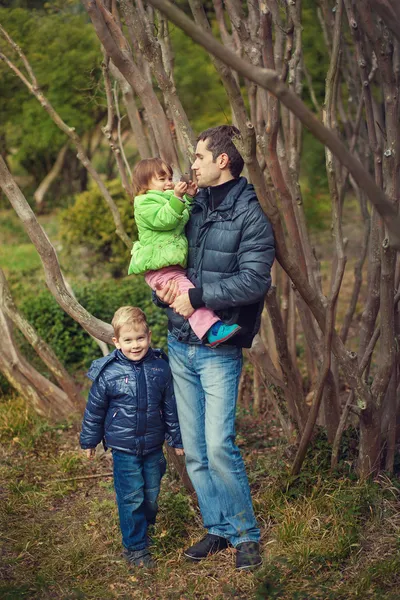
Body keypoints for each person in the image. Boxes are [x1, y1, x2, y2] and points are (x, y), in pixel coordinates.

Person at [154, 125, 275, 571]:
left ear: (222, 161)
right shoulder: (193, 207)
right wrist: (163, 292)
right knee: (195, 449)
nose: (193, 164)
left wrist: (198, 297)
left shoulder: (250, 217)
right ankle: (219, 529)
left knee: (219, 446)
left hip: (218, 347)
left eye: (199, 156)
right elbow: (167, 257)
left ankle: (246, 535)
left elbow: (255, 281)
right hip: (179, 341)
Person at [80, 306, 183, 568]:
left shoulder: (160, 367)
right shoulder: (109, 372)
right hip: (123, 448)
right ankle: (135, 548)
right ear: (116, 342)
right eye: (128, 340)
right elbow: (95, 410)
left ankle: (143, 526)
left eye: (140, 338)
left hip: (152, 445)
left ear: (149, 336)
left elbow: (171, 407)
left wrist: (177, 439)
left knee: (150, 494)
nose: (135, 345)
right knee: (131, 497)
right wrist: (89, 441)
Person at [128, 157, 241, 347]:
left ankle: (209, 329)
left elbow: (182, 218)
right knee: (189, 297)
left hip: (170, 265)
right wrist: (178, 198)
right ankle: (212, 330)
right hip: (160, 267)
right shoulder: (143, 203)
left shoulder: (169, 198)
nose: (169, 183)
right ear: (144, 183)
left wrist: (188, 198)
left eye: (170, 178)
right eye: (162, 179)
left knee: (185, 296)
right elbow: (165, 220)